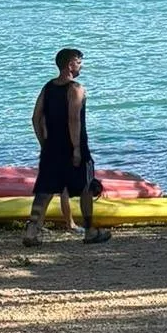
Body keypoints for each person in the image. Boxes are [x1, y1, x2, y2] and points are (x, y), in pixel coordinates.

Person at [24, 48, 112, 246]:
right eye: (79, 62)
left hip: (51, 146)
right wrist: (77, 149)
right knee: (86, 186)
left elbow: (35, 118)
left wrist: (43, 143)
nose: (81, 66)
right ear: (71, 64)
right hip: (73, 145)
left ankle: (31, 231)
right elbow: (74, 120)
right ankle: (90, 231)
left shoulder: (48, 88)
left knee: (44, 190)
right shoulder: (76, 89)